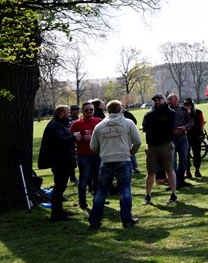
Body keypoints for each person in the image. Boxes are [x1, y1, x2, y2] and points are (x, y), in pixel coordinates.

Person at [89, 100, 142, 230]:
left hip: (106, 161)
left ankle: (94, 221)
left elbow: (93, 146)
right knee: (125, 190)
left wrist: (104, 152)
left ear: (107, 110)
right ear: (120, 110)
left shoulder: (100, 126)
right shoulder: (127, 123)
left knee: (101, 192)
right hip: (124, 159)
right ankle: (126, 219)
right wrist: (130, 152)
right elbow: (138, 141)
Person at [38, 105, 77, 221]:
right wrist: (74, 137)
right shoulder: (55, 125)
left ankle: (59, 211)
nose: (70, 114)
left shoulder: (58, 124)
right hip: (60, 162)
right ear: (61, 114)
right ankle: (57, 214)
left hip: (62, 160)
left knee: (60, 187)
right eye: (68, 112)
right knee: (59, 187)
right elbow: (60, 142)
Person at [141, 93, 177, 206]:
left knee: (169, 170)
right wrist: (158, 125)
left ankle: (173, 194)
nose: (157, 102)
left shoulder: (171, 113)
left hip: (165, 144)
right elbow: (145, 127)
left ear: (163, 100)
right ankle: (148, 195)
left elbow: (167, 127)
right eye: (155, 100)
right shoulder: (149, 114)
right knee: (150, 172)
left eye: (159, 100)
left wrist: (154, 126)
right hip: (151, 146)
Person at [69, 101, 102, 210]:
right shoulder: (77, 123)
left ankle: (97, 200)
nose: (89, 112)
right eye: (86, 110)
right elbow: (70, 138)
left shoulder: (99, 121)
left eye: (91, 110)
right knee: (83, 179)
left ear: (94, 110)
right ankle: (82, 202)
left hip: (97, 154)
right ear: (82, 111)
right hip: (83, 155)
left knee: (97, 178)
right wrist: (82, 138)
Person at [167, 93, 194, 188]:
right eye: (168, 99)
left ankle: (181, 180)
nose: (169, 101)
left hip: (183, 138)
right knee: (172, 162)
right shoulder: (166, 111)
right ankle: (174, 182)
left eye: (171, 99)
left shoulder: (183, 110)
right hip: (171, 139)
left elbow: (191, 122)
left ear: (176, 100)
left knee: (183, 160)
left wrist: (185, 127)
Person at [183, 98, 206, 178]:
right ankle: (187, 171)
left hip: (196, 136)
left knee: (197, 154)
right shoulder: (183, 113)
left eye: (189, 106)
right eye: (186, 106)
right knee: (186, 154)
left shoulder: (199, 112)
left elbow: (202, 123)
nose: (188, 107)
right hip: (186, 136)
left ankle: (197, 170)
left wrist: (201, 133)